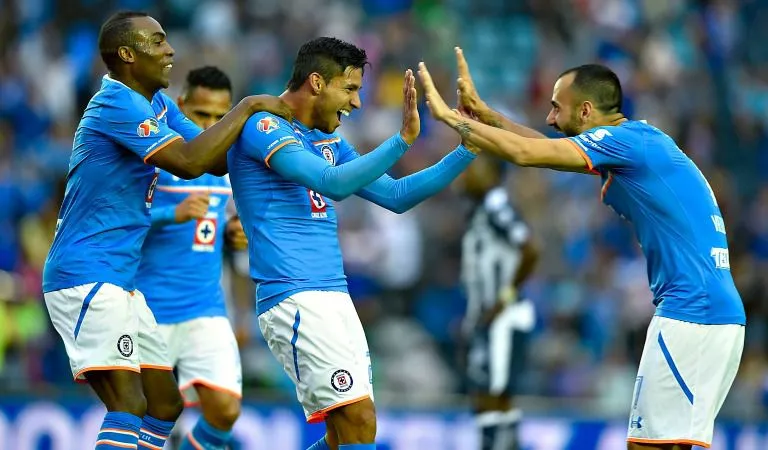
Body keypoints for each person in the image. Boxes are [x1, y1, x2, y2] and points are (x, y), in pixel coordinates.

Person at [417, 48, 746, 450]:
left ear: (586, 110)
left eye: (557, 107)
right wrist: (485, 115)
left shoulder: (624, 143)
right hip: (711, 313)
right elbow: (545, 151)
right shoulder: (637, 143)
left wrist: (451, 120)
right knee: (666, 446)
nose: (549, 118)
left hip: (693, 313)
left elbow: (525, 153)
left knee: (648, 447)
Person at [41, 11, 289, 450]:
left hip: (120, 280)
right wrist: (250, 106)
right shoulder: (116, 103)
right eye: (157, 42)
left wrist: (279, 142)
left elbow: (214, 160)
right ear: (127, 54)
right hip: (86, 273)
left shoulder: (157, 103)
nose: (170, 50)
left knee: (164, 404)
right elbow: (190, 162)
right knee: (128, 404)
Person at [228, 37, 479, 450]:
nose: (357, 102)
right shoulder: (263, 126)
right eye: (350, 88)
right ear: (316, 82)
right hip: (294, 295)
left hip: (334, 296)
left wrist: (466, 149)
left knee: (343, 435)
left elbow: (396, 195)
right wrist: (401, 140)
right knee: (360, 421)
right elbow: (333, 183)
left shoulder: (327, 140)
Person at [136, 66, 246, 450]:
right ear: (181, 106)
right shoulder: (157, 158)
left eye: (220, 117)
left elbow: (225, 224)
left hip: (205, 307)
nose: (210, 126)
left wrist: (235, 233)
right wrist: (172, 213)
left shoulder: (228, 167)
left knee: (225, 411)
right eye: (201, 114)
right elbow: (116, 218)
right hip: (149, 309)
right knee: (145, 417)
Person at [459, 154, 538, 450]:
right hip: (486, 316)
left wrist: (503, 300)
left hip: (502, 317)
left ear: (492, 173)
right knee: (488, 394)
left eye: (473, 168)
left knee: (493, 392)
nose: (465, 175)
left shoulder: (497, 205)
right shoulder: (479, 209)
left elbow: (531, 249)